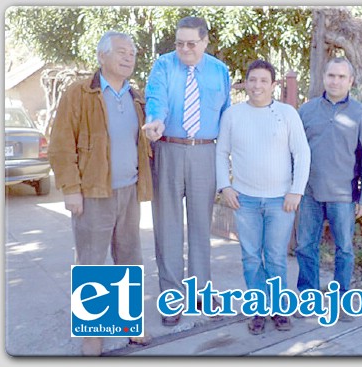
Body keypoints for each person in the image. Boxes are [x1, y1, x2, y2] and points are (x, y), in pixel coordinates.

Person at [48, 30, 153, 356]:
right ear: (102, 56)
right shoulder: (80, 93)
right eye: (121, 51)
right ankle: (92, 333)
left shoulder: (137, 97)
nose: (128, 57)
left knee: (129, 259)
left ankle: (126, 322)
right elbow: (61, 144)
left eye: (132, 53)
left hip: (128, 191)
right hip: (93, 192)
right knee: (92, 262)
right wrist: (71, 189)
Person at [142, 16, 231, 326]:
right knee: (167, 228)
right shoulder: (164, 65)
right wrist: (156, 120)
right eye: (179, 43)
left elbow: (227, 115)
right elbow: (157, 98)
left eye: (191, 44)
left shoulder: (220, 71)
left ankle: (201, 292)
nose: (184, 49)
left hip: (206, 151)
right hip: (167, 147)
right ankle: (171, 297)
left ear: (205, 42)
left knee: (200, 228)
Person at [216, 60, 311, 334]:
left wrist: (297, 189)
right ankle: (258, 309)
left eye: (263, 80)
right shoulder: (233, 115)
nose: (257, 85)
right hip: (244, 199)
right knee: (251, 257)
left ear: (272, 85)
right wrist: (225, 186)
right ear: (245, 83)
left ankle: (280, 309)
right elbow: (221, 152)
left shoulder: (287, 113)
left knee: (276, 256)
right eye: (252, 79)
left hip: (280, 200)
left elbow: (302, 153)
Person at [295, 57, 362, 321]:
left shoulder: (361, 114)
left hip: (344, 195)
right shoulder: (306, 111)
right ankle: (308, 298)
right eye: (331, 75)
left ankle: (340, 301)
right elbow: (294, 152)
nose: (335, 81)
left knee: (344, 249)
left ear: (351, 81)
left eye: (342, 77)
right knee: (306, 246)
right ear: (324, 77)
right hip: (309, 193)